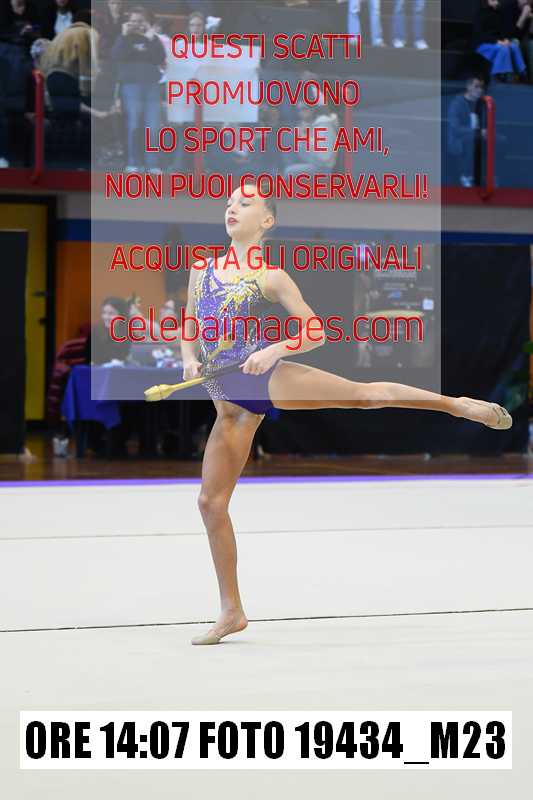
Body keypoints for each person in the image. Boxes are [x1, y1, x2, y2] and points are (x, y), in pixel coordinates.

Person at [181, 181, 513, 646]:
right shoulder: (201, 270)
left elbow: (314, 331)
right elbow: (191, 322)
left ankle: (455, 404)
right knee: (210, 504)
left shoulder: (271, 277)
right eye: (230, 201)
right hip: (228, 401)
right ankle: (232, 610)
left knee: (363, 396)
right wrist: (188, 358)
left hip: (261, 377)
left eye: (246, 202)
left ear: (267, 220)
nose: (232, 207)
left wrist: (274, 350)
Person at [111, 4, 166, 173]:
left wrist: (151, 38)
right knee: (134, 124)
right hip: (131, 86)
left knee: (153, 126)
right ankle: (133, 162)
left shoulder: (153, 39)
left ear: (146, 22)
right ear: (128, 22)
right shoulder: (124, 38)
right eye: (133, 21)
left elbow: (159, 58)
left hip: (151, 86)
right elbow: (116, 56)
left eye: (140, 21)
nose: (137, 24)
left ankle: (153, 164)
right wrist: (123, 36)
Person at [447, 75, 486, 187]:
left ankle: (491, 175)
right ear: (468, 87)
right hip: (460, 139)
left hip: (479, 136)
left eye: (481, 87)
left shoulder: (482, 104)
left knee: (500, 140)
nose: (480, 90)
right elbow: (455, 128)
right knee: (471, 140)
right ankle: (466, 176)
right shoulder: (457, 104)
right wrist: (477, 132)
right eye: (476, 86)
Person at [473, 0, 527, 81]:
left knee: (513, 45)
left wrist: (505, 39)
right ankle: (502, 75)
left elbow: (503, 31)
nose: (496, 2)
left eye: (497, 0)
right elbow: (479, 34)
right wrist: (497, 41)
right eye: (493, 0)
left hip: (498, 41)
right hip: (483, 44)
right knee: (503, 48)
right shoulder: (480, 14)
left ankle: (521, 71)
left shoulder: (500, 14)